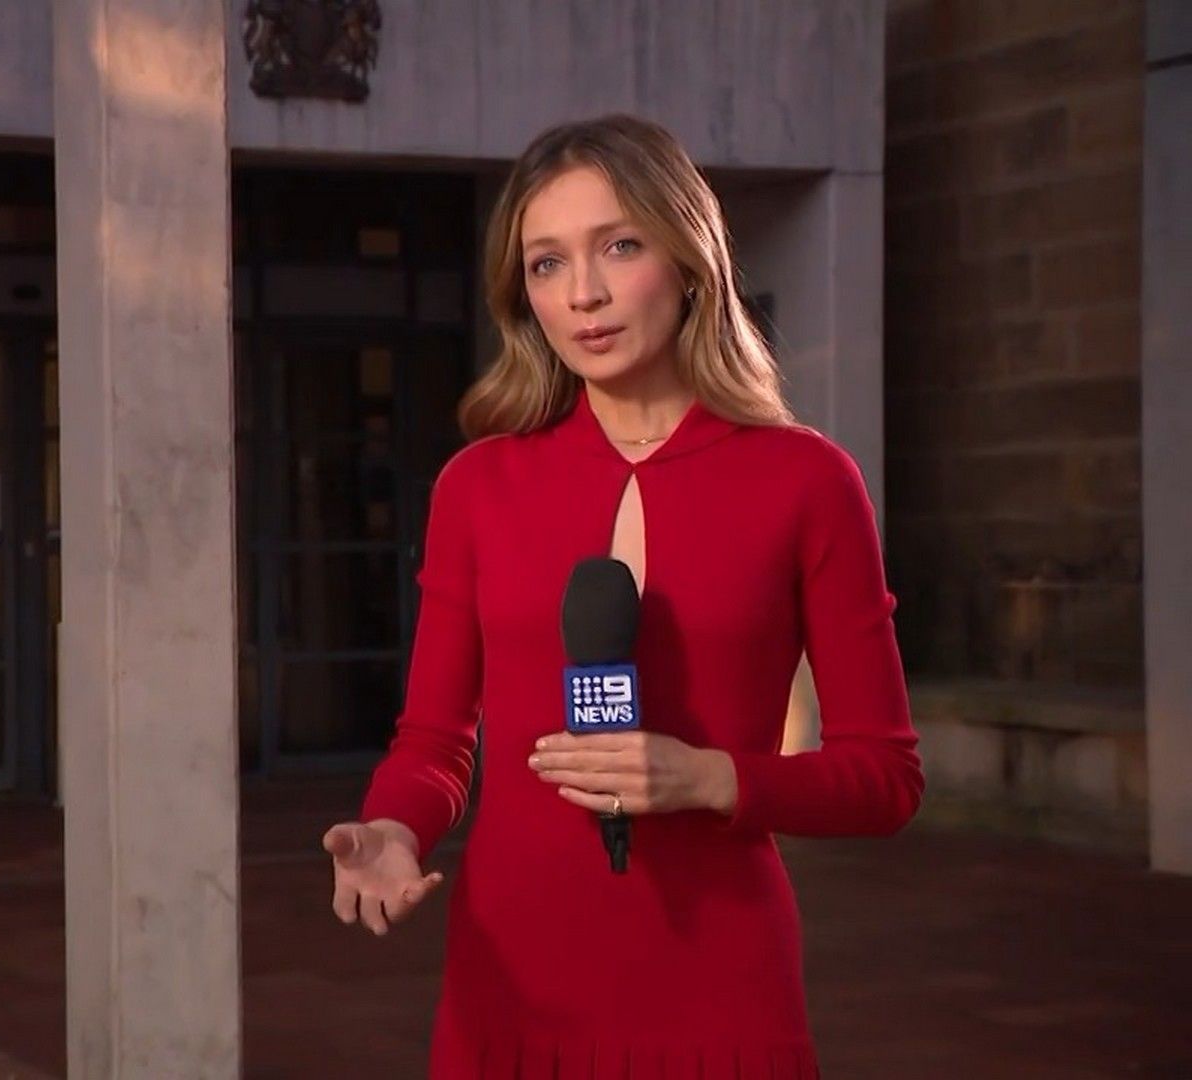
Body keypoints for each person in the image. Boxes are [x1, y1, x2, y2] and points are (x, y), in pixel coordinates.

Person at [321, 114, 925, 1077]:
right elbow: (435, 743)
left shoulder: (808, 483)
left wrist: (711, 779)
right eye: (547, 264)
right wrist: (394, 827)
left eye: (619, 246)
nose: (584, 295)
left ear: (689, 259)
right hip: (512, 977)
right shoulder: (477, 488)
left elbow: (885, 778)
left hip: (721, 979)